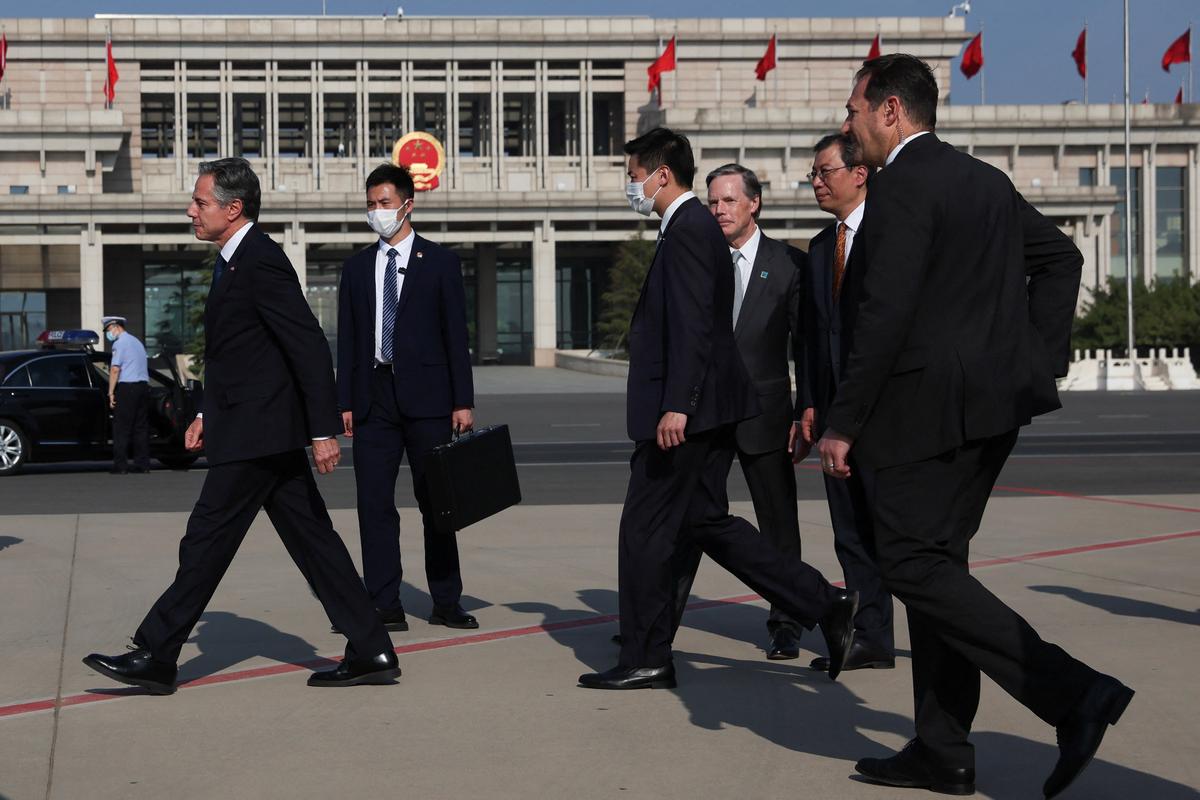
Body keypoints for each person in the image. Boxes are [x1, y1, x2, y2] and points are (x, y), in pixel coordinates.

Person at [816, 55, 1133, 798]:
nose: (848, 120)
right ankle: (943, 747)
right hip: (990, 412)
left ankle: (1073, 693)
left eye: (856, 107)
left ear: (891, 110)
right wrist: (1034, 358)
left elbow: (883, 315)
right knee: (938, 571)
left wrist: (843, 421)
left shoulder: (900, 189)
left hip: (920, 417)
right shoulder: (982, 180)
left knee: (910, 568)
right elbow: (1062, 258)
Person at [83, 157, 398, 694]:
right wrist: (206, 412)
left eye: (200, 202)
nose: (191, 210)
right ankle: (370, 646)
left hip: (260, 434)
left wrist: (323, 430)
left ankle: (158, 653)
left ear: (233, 208)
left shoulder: (261, 260)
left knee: (206, 539)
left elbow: (307, 347)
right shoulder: (232, 260)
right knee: (314, 542)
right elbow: (237, 356)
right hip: (255, 430)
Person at [578, 128, 856, 691]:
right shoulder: (691, 227)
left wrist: (677, 404)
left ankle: (646, 655)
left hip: (688, 416)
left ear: (660, 175)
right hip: (709, 410)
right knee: (707, 524)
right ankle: (825, 603)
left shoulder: (686, 229)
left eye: (632, 175)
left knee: (643, 532)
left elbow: (694, 326)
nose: (630, 186)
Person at [652, 163, 809, 662]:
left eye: (728, 201)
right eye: (712, 201)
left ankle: (787, 621)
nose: (718, 210)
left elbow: (804, 349)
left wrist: (807, 409)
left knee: (778, 524)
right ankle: (658, 625)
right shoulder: (696, 258)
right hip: (703, 418)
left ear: (754, 204)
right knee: (688, 523)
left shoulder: (788, 264)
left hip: (765, 418)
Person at [336, 163, 477, 632]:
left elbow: (456, 335)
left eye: (385, 203)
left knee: (437, 502)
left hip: (430, 398)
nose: (377, 212)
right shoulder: (356, 268)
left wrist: (462, 400)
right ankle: (384, 603)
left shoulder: (440, 263)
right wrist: (346, 401)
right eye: (371, 204)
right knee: (373, 503)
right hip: (374, 397)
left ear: (407, 205)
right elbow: (350, 340)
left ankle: (446, 600)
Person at [797, 134, 895, 674]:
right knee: (849, 530)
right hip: (834, 415)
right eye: (813, 174)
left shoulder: (889, 236)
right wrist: (809, 403)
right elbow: (811, 339)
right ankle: (871, 637)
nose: (816, 181)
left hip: (886, 411)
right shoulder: (818, 249)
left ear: (860, 174)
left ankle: (928, 632)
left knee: (894, 531)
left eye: (824, 171)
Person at [101, 315, 151, 475]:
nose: (109, 334)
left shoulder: (120, 343)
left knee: (121, 428)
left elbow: (115, 369)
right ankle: (142, 464)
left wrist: (110, 393)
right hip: (143, 387)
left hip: (128, 387)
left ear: (116, 327)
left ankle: (120, 465)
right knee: (140, 427)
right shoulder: (137, 342)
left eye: (109, 330)